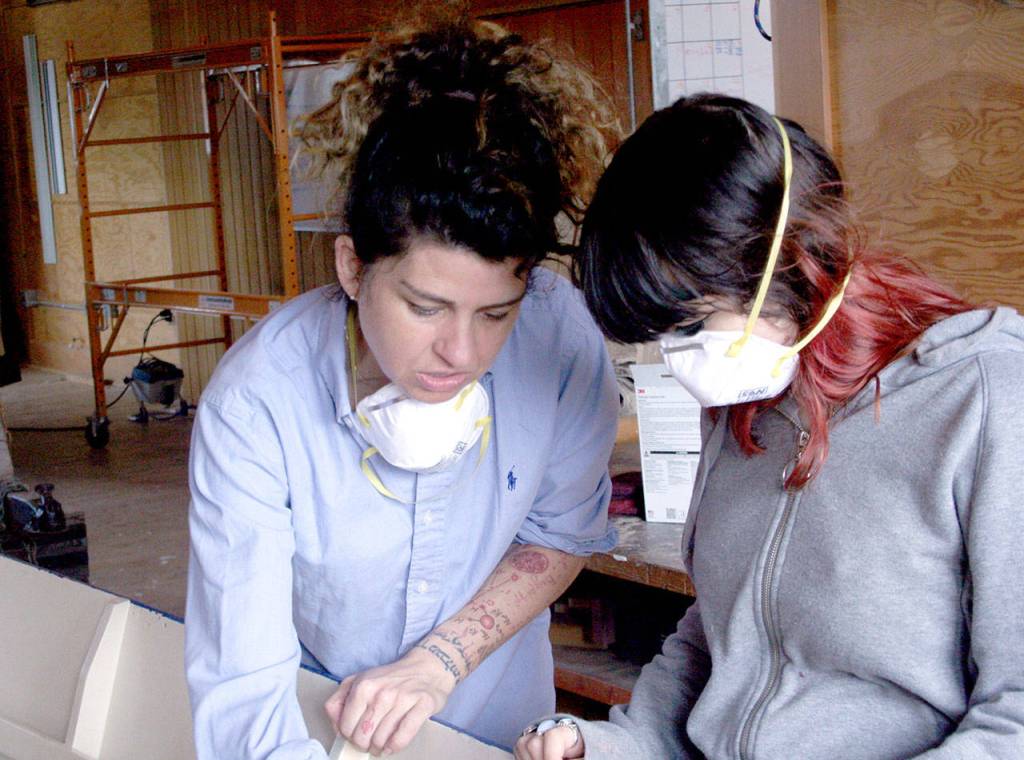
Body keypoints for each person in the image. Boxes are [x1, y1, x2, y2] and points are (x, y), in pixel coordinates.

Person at [515, 94, 1024, 759]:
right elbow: (721, 636)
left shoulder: (984, 400)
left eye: (695, 323)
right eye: (666, 335)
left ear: (790, 256)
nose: (682, 359)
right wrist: (617, 746)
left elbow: (1015, 719)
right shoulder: (745, 402)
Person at [185, 12, 624, 759]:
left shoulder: (560, 341)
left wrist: (440, 662)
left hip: (499, 727)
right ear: (353, 267)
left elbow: (560, 534)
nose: (461, 351)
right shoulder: (258, 403)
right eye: (425, 308)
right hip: (324, 731)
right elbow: (244, 684)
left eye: (496, 313)